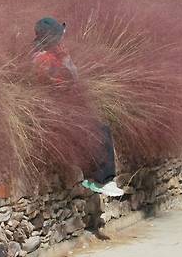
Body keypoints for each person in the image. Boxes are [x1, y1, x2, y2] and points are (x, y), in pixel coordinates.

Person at [32, 17, 124, 197]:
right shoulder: (41, 59)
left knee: (100, 128)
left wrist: (66, 60)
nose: (60, 41)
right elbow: (59, 85)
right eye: (58, 37)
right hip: (54, 111)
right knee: (95, 131)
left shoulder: (55, 56)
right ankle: (99, 180)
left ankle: (102, 180)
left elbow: (73, 77)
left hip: (66, 107)